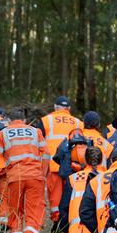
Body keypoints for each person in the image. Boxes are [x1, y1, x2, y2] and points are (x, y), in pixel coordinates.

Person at [0, 107, 50, 233]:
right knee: (35, 210)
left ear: (9, 119)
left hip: (14, 178)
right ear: (25, 120)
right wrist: (42, 174)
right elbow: (47, 154)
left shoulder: (3, 134)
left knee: (16, 213)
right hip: (35, 177)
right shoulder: (35, 132)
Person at [38, 96, 84, 226]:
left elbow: (38, 142)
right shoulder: (78, 123)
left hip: (54, 163)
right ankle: (70, 218)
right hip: (73, 164)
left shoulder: (46, 120)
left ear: (55, 107)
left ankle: (57, 220)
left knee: (55, 193)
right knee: (71, 192)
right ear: (69, 108)